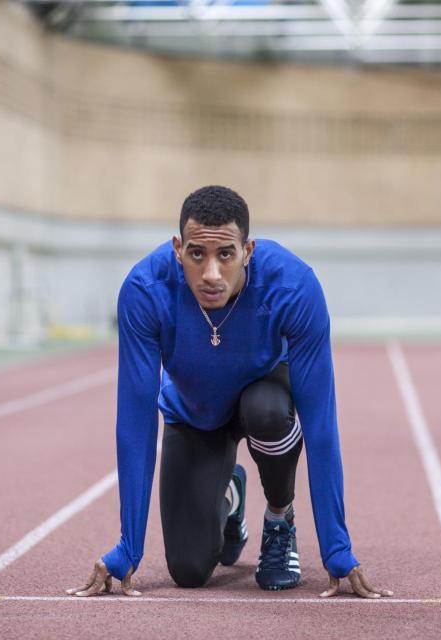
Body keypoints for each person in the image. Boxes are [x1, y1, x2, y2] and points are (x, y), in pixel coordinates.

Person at [67, 185, 392, 599]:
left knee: (268, 411)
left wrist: (337, 548)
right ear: (177, 249)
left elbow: (321, 423)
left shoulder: (293, 286)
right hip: (195, 411)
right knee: (188, 570)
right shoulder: (145, 290)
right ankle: (231, 495)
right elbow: (135, 421)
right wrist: (128, 547)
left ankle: (278, 520)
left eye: (226, 254)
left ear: (248, 250)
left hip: (263, 394)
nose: (211, 275)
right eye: (197, 254)